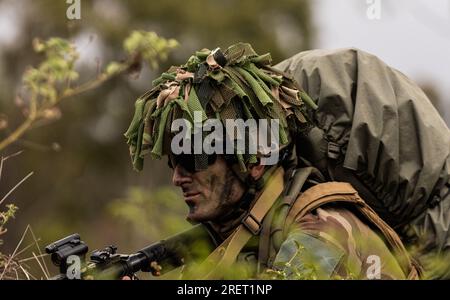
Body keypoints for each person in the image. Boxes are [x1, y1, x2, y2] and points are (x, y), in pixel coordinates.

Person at [124, 43, 420, 279]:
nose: (178, 177)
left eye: (193, 159)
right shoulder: (240, 232)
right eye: (174, 161)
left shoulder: (323, 230)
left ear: (255, 161)